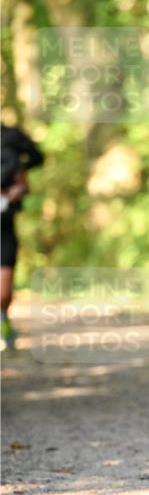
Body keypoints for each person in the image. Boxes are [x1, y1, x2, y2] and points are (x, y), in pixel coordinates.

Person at [1, 123, 45, 348]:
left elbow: (36, 160)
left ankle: (3, 317)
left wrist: (15, 190)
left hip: (4, 225)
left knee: (4, 290)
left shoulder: (11, 139)